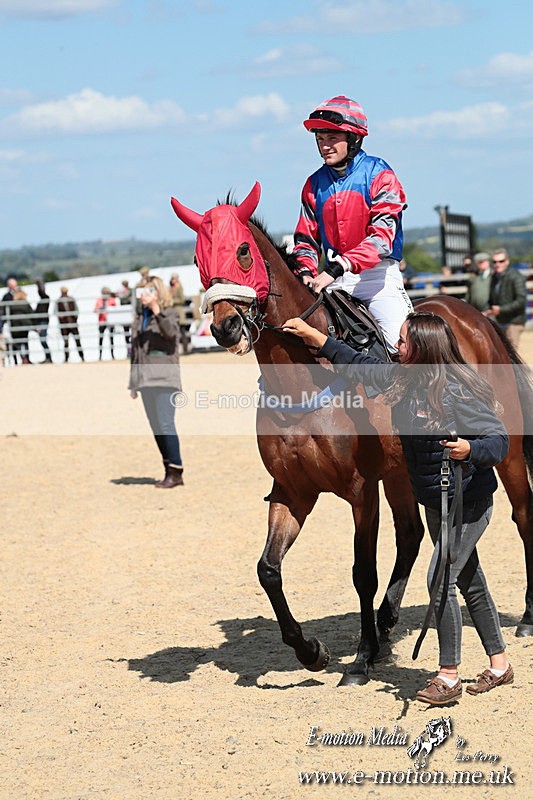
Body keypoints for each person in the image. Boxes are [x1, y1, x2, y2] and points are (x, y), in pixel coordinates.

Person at [282, 311, 513, 706]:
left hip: (468, 503)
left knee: (439, 578)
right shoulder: (402, 379)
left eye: (403, 342)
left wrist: (471, 449)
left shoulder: (459, 390)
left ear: (422, 349)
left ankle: (448, 675)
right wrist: (312, 336)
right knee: (469, 580)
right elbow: (356, 363)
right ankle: (499, 664)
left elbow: (499, 440)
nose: (396, 347)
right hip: (436, 502)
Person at [291, 95, 413, 350]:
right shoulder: (313, 184)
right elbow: (306, 240)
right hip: (330, 282)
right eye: (320, 139)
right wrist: (305, 271)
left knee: (402, 348)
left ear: (354, 139)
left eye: (332, 138)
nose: (324, 146)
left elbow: (381, 240)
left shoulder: (381, 175)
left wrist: (337, 267)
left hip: (376, 281)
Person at [129, 276, 184, 488]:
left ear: (157, 292)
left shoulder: (168, 313)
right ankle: (168, 469)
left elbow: (170, 333)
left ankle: (176, 471)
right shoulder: (138, 317)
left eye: (147, 291)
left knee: (166, 423)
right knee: (156, 427)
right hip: (145, 379)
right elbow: (135, 352)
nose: (143, 295)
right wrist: (133, 382)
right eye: (140, 292)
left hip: (164, 378)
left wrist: (156, 310)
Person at [482, 248, 527, 350]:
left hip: (514, 322)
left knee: (510, 355)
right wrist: (489, 311)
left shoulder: (516, 276)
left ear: (507, 261)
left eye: (501, 261)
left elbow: (521, 300)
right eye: (495, 262)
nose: (497, 264)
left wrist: (501, 309)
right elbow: (492, 299)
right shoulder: (494, 277)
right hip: (500, 321)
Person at [55, 287, 85, 362]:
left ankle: (82, 357)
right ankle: (66, 358)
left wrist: (74, 317)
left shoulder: (71, 299)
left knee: (77, 341)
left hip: (73, 323)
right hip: (64, 325)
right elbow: (56, 312)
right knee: (66, 342)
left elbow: (76, 310)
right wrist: (61, 316)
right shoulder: (58, 301)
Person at [9, 289, 34, 364]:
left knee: (17, 343)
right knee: (25, 342)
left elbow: (8, 314)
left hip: (15, 326)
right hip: (25, 325)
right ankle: (26, 358)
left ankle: (22, 358)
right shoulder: (25, 303)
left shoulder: (11, 304)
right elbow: (31, 314)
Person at [169, 273, 190, 355]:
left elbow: (182, 299)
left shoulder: (179, 287)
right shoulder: (170, 288)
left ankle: (185, 350)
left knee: (182, 332)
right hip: (173, 313)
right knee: (174, 333)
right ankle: (176, 350)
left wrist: (172, 301)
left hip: (179, 312)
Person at [94, 287, 117, 360]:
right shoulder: (99, 300)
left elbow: (115, 308)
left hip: (110, 321)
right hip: (102, 321)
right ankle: (100, 356)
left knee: (111, 338)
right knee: (101, 339)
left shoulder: (112, 300)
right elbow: (95, 310)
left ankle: (112, 355)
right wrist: (100, 308)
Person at [34, 279, 53, 363]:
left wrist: (39, 285)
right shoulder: (41, 301)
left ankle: (48, 357)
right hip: (41, 322)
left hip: (43, 322)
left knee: (43, 340)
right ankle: (48, 357)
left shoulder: (45, 298)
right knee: (42, 340)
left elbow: (42, 293)